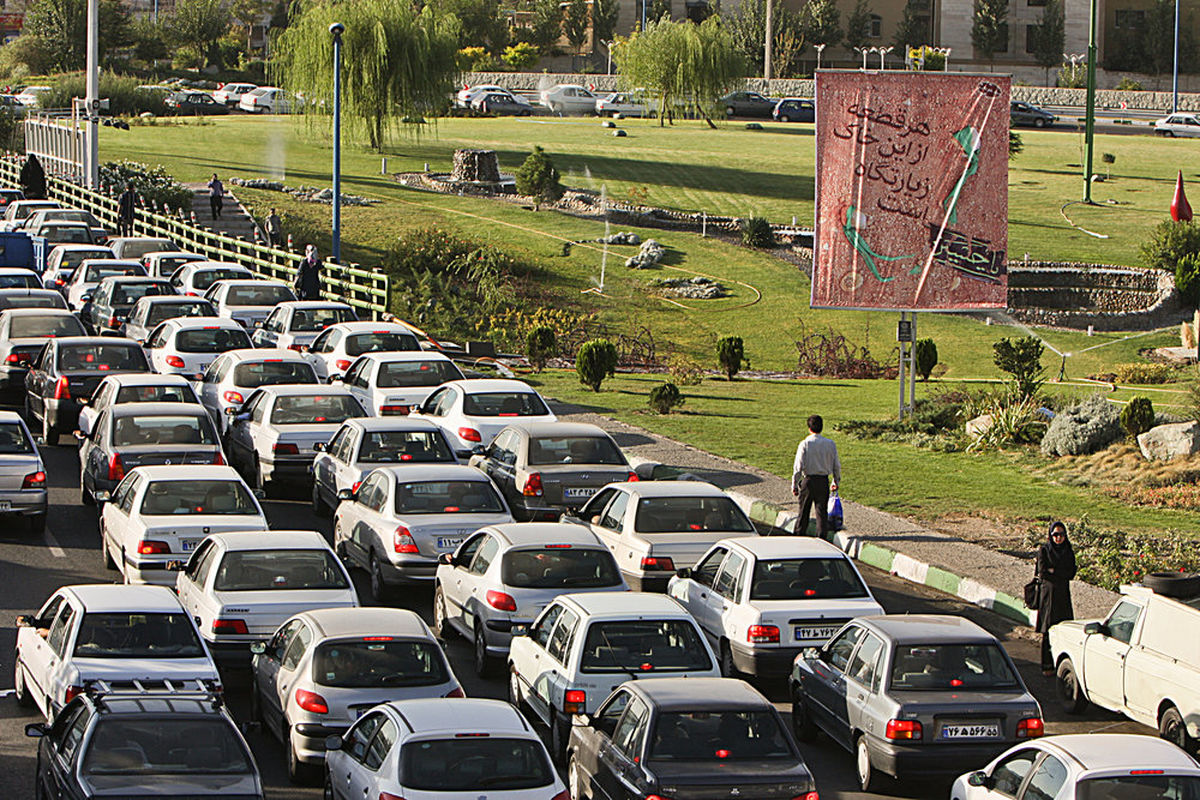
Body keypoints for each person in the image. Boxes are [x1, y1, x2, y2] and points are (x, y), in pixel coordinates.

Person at [1036, 521, 1076, 675]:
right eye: (1055, 535)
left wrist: (1055, 571)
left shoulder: (1068, 550)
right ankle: (1046, 665)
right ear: (1050, 535)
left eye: (1061, 535)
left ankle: (1060, 663)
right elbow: (1043, 572)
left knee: (1063, 628)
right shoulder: (1045, 550)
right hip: (1049, 596)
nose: (1058, 538)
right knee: (1048, 630)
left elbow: (1071, 572)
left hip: (1062, 595)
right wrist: (1059, 573)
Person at [791, 414, 841, 536]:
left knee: (803, 512)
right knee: (821, 513)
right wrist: (835, 481)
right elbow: (836, 466)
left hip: (808, 480)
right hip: (823, 481)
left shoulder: (805, 444)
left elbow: (798, 467)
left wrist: (794, 485)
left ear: (809, 428)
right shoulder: (830, 444)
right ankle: (822, 537)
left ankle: (799, 535)